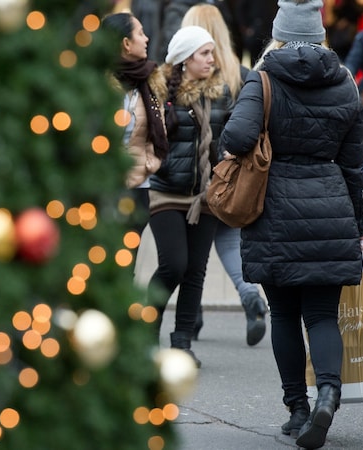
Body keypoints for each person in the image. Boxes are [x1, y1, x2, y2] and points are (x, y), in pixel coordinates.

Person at [219, 0, 363, 447]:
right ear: (320, 36)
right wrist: (359, 224)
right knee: (322, 315)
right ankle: (327, 394)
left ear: (278, 35)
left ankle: (296, 409)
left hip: (273, 210)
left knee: (283, 313)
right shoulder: (344, 83)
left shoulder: (262, 78)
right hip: (330, 207)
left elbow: (236, 137)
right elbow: (354, 164)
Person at [180, 2, 267, 346]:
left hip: (192, 179)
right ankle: (250, 297)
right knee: (228, 239)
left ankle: (193, 315)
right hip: (231, 177)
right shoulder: (241, 74)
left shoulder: (187, 77)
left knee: (192, 253)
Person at [147, 25, 234, 367]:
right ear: (184, 59)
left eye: (212, 52)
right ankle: (145, 336)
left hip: (206, 195)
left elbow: (226, 137)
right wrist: (160, 166)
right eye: (204, 53)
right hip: (166, 192)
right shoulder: (158, 93)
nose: (211, 59)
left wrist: (227, 155)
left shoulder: (220, 94)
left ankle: (181, 343)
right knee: (174, 265)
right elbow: (148, 137)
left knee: (196, 270)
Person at [101, 12, 169, 246]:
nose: (147, 38)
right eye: (140, 33)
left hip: (140, 186)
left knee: (126, 258)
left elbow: (158, 129)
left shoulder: (150, 81)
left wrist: (151, 163)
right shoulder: (98, 85)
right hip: (105, 187)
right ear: (126, 44)